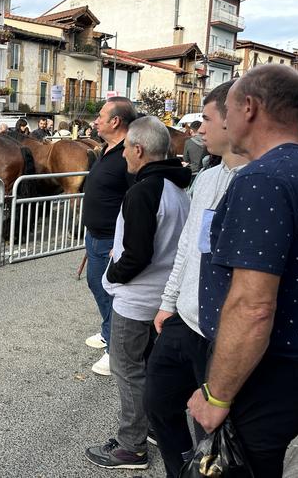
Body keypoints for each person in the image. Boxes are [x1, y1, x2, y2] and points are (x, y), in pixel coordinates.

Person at [186, 65, 298, 477]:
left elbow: (253, 306)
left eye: (229, 109)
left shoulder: (262, 179)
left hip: (270, 374)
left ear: (249, 108)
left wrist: (217, 396)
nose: (223, 121)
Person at [144, 80, 248, 478]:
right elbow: (188, 247)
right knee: (159, 403)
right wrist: (167, 303)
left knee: (212, 427)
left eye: (206, 119)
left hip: (221, 334)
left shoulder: (261, 181)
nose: (199, 129)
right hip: (181, 321)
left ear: (233, 119)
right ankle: (178, 471)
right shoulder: (205, 177)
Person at [85, 116, 191, 470]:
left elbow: (137, 254)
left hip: (137, 300)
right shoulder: (177, 190)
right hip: (161, 298)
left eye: (128, 148)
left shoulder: (144, 191)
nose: (125, 154)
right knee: (146, 367)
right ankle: (152, 428)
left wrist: (111, 274)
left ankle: (131, 446)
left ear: (139, 150)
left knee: (128, 369)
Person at [81, 97, 137, 376]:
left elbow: (136, 200)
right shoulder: (106, 149)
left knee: (111, 292)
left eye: (101, 116)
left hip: (112, 240)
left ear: (115, 121)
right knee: (96, 284)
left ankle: (115, 350)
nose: (96, 120)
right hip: (96, 236)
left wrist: (123, 242)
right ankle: (108, 332)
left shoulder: (130, 153)